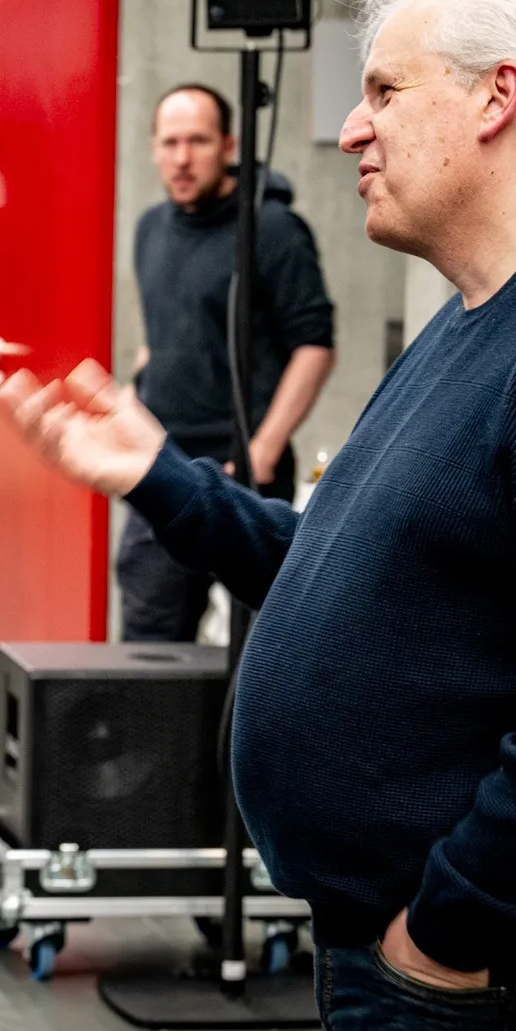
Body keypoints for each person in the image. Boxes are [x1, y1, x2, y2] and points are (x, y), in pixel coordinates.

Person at [0, 0, 516, 1031]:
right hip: (417, 956)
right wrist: (159, 475)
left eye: (385, 91)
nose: (352, 129)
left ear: (499, 95)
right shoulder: (482, 310)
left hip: (481, 974)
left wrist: (452, 923)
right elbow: (351, 570)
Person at [123, 83, 334, 641]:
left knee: (259, 649)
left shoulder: (270, 229)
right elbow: (166, 333)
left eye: (198, 141)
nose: (182, 158)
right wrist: (134, 397)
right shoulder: (150, 228)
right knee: (150, 646)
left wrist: (263, 449)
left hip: (245, 469)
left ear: (230, 144)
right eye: (170, 142)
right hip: (162, 462)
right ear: (153, 149)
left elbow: (314, 345)